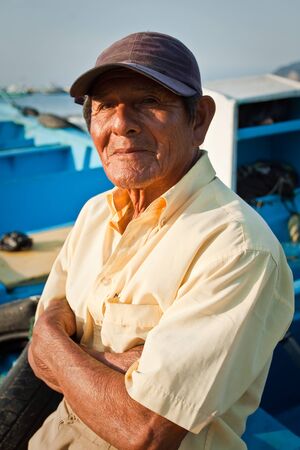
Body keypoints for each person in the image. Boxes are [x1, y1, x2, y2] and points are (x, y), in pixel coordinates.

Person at [28, 31, 294, 450]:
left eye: (149, 102)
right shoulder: (95, 214)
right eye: (104, 107)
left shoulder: (237, 250)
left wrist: (57, 346)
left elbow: (145, 430)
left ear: (199, 120)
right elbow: (39, 352)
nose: (121, 123)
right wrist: (124, 368)